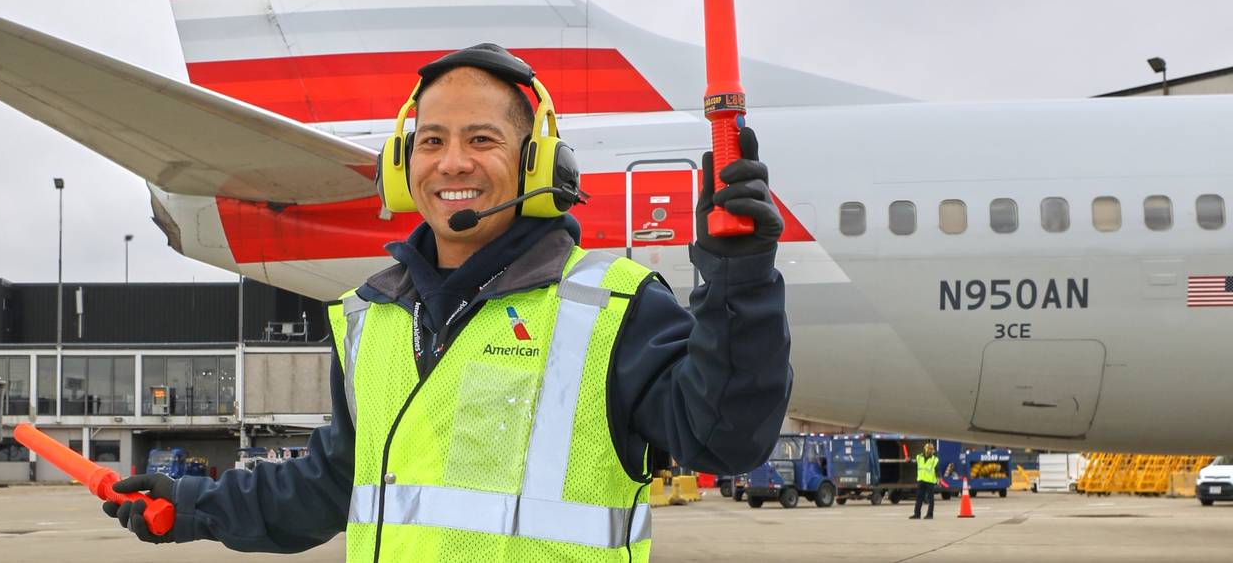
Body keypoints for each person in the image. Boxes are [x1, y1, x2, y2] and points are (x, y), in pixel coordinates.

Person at [103, 44, 792, 559]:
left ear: (537, 164)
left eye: (482, 140)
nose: (452, 163)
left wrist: (740, 279)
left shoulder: (613, 309)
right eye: (431, 141)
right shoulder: (368, 317)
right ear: (405, 167)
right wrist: (193, 505)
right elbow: (330, 489)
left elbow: (723, 438)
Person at [910, 442, 952, 519]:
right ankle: (917, 514)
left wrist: (939, 477)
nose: (932, 451)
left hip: (930, 481)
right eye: (930, 449)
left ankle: (930, 514)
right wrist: (909, 460)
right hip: (921, 480)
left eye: (932, 449)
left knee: (930, 499)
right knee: (919, 498)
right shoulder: (919, 457)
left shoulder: (934, 459)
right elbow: (915, 464)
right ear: (926, 450)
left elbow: (937, 470)